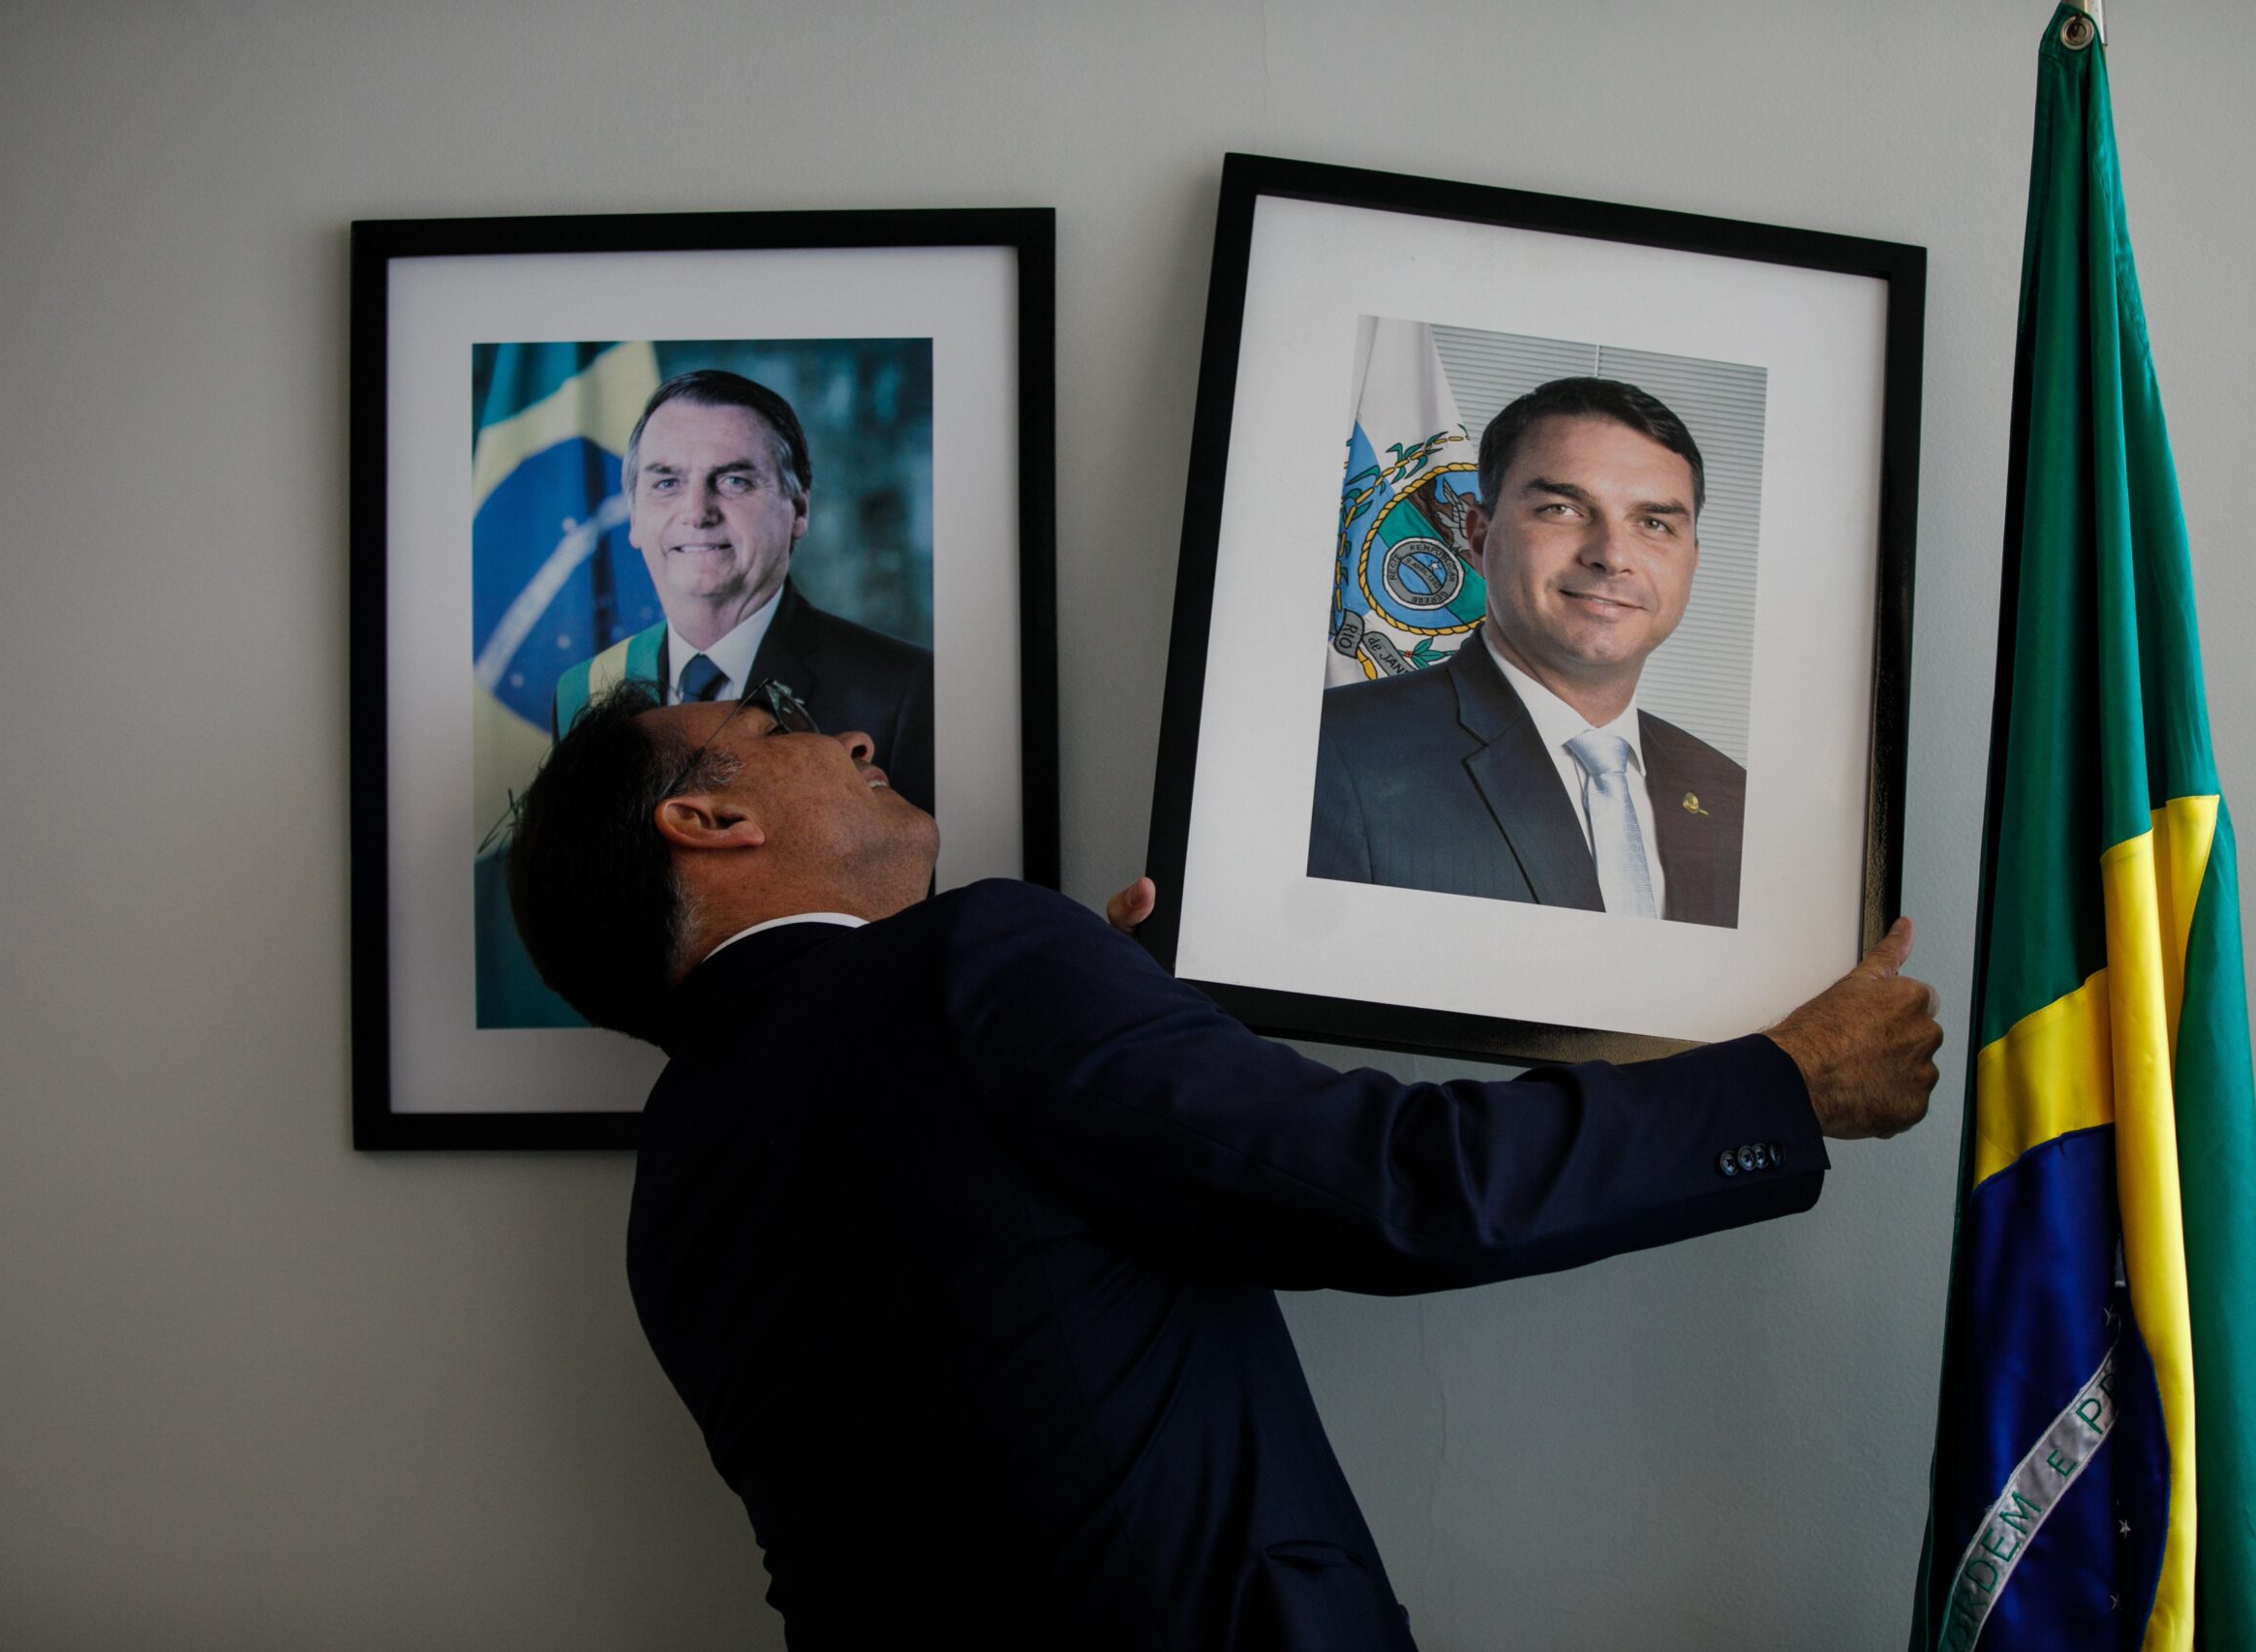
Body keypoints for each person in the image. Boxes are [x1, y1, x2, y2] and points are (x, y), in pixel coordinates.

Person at [504, 682, 1939, 1649]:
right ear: (706, 821)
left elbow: (997, 1314)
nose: (856, 742)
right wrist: (1788, 1082)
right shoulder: (970, 966)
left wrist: (1101, 1026)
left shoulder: (672, 1193)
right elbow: (1403, 1186)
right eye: (785, 725)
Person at [1308, 377, 1745, 926]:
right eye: (1562, 509)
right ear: (1480, 537)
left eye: (1654, 523)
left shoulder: (1734, 798)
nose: (1612, 556)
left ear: (1692, 560)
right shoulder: (1332, 756)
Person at [551, 368, 935, 811]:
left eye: (734, 480)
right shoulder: (583, 691)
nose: (696, 512)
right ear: (634, 517)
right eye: (666, 483)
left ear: (799, 510)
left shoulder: (902, 692)